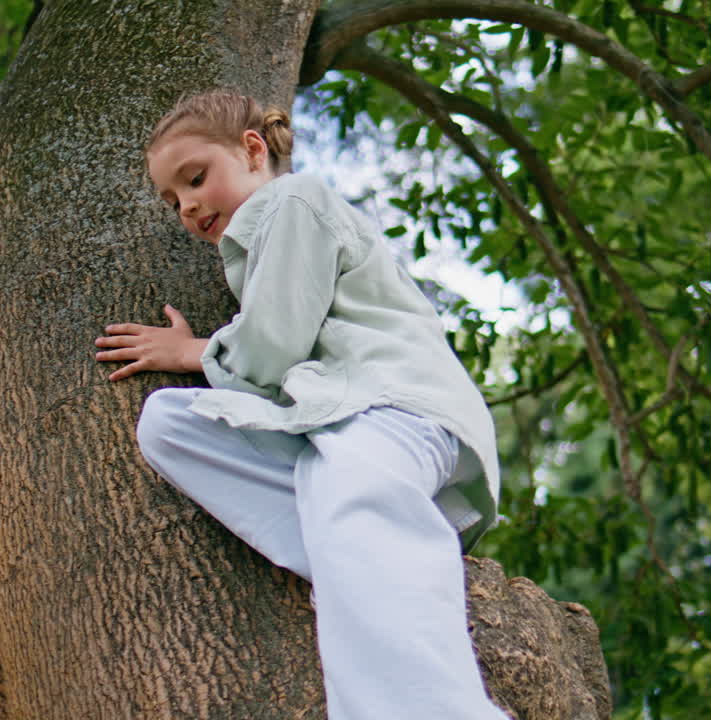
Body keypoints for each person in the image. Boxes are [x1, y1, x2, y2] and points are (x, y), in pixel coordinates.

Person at [94, 90, 507, 720]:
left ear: (254, 149)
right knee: (169, 424)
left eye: (196, 179)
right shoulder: (259, 244)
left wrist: (189, 353)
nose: (189, 206)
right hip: (332, 423)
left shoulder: (295, 202)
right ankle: (351, 556)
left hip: (392, 408)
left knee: (354, 499)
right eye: (173, 200)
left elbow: (271, 346)